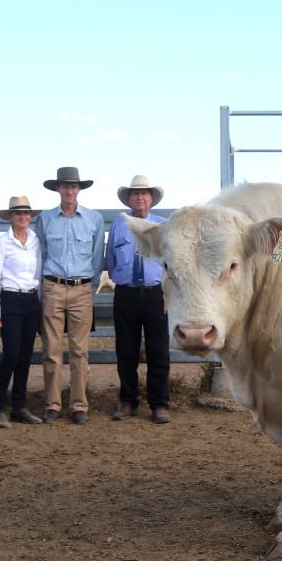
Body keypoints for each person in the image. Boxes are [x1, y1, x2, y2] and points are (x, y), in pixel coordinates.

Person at [33, 167, 105, 425]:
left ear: (79, 189)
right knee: (51, 349)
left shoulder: (94, 219)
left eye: (74, 186)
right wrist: (46, 286)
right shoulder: (44, 220)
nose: (70, 190)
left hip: (82, 288)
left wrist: (88, 285)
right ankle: (52, 404)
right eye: (65, 186)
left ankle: (79, 405)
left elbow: (97, 258)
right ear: (58, 189)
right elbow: (40, 254)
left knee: (79, 350)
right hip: (53, 286)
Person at [107, 175, 172, 423]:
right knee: (126, 351)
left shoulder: (163, 227)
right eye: (136, 194)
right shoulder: (118, 225)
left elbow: (170, 262)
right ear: (130, 199)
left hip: (156, 295)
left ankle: (159, 404)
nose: (140, 197)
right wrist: (124, 281)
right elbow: (110, 261)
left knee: (158, 351)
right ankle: (127, 401)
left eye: (145, 193)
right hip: (126, 294)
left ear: (152, 199)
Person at [0, 196, 45, 428]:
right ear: (10, 217)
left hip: (31, 300)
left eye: (26, 213)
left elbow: (38, 275)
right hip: (9, 298)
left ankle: (19, 406)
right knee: (11, 355)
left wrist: (39, 306)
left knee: (25, 356)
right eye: (18, 213)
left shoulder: (35, 241)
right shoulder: (3, 243)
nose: (23, 217)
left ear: (31, 217)